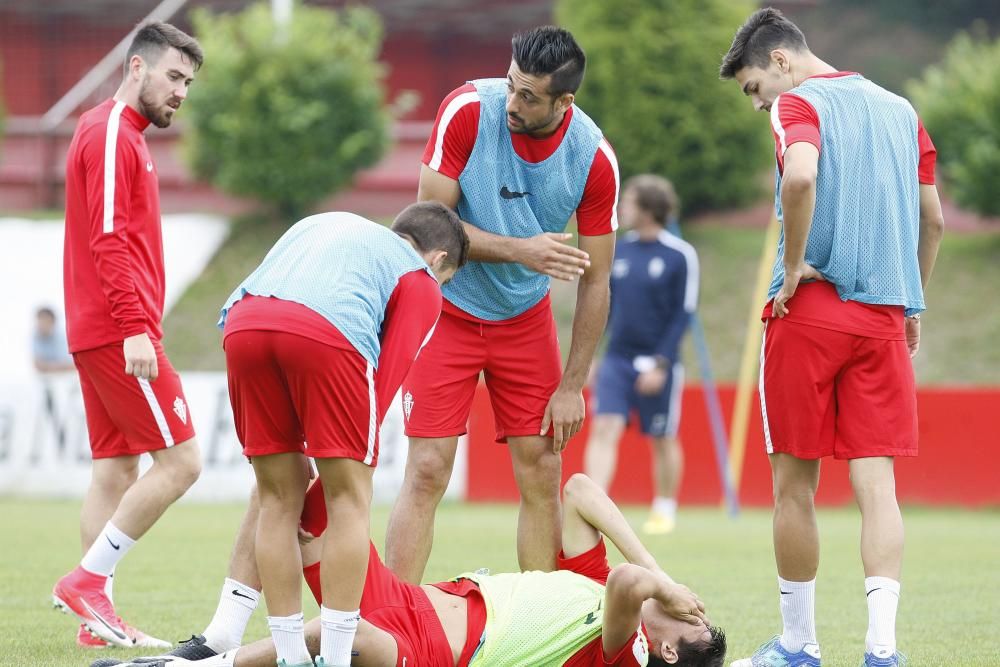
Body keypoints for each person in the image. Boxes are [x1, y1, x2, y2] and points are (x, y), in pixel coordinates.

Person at [718, 8, 944, 667]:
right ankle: (883, 649)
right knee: (879, 487)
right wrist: (912, 299)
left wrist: (791, 268)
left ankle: (798, 645)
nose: (758, 104)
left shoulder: (799, 104)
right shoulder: (902, 111)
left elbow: (801, 175)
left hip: (809, 312)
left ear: (780, 61)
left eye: (754, 87)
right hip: (883, 318)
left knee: (794, 485)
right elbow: (932, 219)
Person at [386, 25, 619, 585]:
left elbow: (597, 281)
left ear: (564, 102)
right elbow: (424, 230)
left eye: (529, 96)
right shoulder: (466, 110)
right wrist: (521, 249)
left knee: (542, 470)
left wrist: (572, 385)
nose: (512, 103)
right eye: (512, 85)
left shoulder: (593, 159)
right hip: (444, 309)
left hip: (525, 321)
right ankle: (393, 621)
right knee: (427, 469)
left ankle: (538, 621)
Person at [98, 474, 726, 667]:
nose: (688, 607)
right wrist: (664, 576)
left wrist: (661, 583)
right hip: (404, 598)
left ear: (668, 651)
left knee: (332, 634)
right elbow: (581, 491)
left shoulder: (622, 650)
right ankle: (223, 629)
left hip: (425, 653)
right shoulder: (591, 583)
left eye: (692, 620)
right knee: (298, 492)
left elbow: (628, 583)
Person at [217, 204, 469, 667]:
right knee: (349, 499)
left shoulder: (326, 223)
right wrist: (331, 484)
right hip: (327, 333)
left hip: (243, 324)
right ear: (437, 259)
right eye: (446, 279)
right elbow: (384, 385)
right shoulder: (419, 278)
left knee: (276, 500)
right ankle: (335, 657)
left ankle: (290, 657)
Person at [53, 21, 205, 650]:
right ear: (136, 68)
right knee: (183, 463)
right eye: (173, 76)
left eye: (188, 83)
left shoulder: (118, 132)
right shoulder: (114, 130)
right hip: (120, 331)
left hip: (99, 330)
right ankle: (87, 582)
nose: (181, 92)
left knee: (115, 470)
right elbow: (109, 239)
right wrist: (136, 329)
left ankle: (95, 619)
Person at [584, 175, 698, 535]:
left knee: (662, 437)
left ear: (648, 209)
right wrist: (591, 355)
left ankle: (664, 509)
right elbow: (602, 307)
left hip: (659, 364)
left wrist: (662, 364)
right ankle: (594, 508)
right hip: (617, 359)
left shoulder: (680, 255)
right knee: (604, 427)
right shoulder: (618, 250)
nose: (622, 208)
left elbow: (683, 314)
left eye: (629, 202)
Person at [32, 306, 76, 373]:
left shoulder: (63, 336)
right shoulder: (36, 336)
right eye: (40, 321)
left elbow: (72, 365)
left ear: (53, 322)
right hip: (49, 376)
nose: (42, 325)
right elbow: (38, 365)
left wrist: (47, 366)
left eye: (45, 321)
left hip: (68, 375)